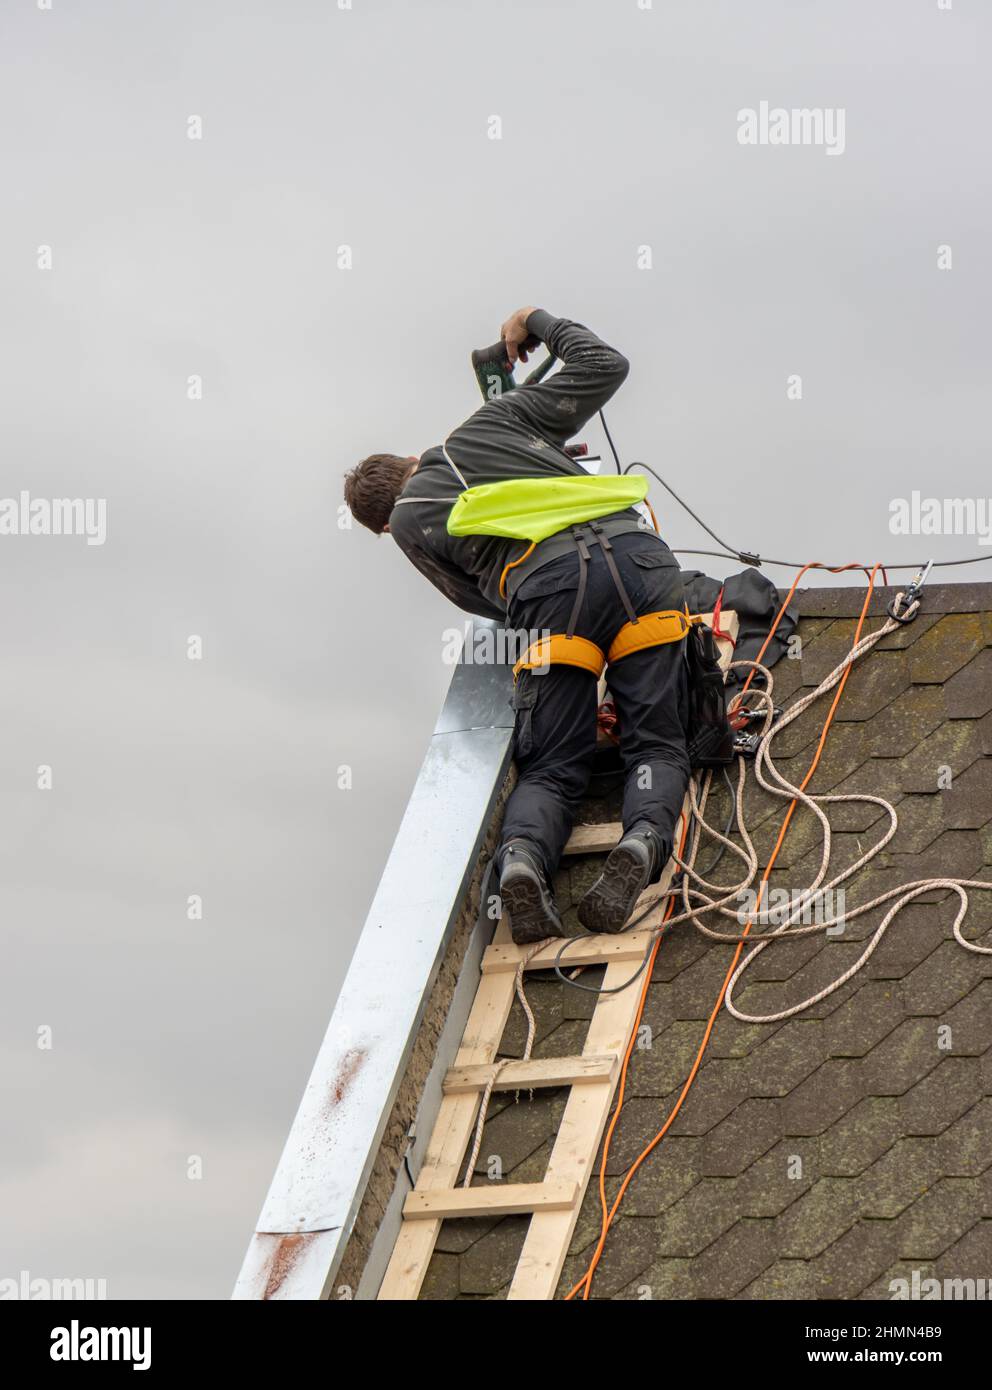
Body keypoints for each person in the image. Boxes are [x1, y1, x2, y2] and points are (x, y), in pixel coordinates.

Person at [344, 307, 690, 944]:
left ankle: (527, 861)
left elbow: (484, 602)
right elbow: (606, 365)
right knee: (659, 743)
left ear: (382, 525)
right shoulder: (495, 418)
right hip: (642, 564)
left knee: (553, 768)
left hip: (551, 596)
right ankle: (642, 841)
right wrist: (536, 320)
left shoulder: (413, 524)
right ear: (414, 455)